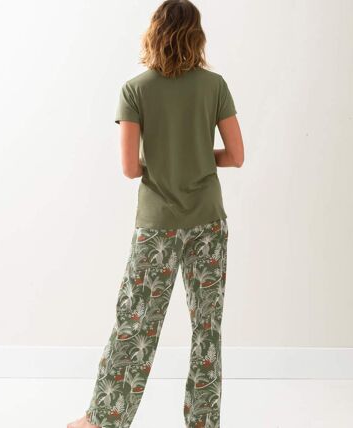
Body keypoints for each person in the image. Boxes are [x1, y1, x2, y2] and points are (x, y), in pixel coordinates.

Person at [68, 1, 244, 427]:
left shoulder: (135, 90)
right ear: (196, 36)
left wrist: (164, 161)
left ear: (154, 33)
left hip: (157, 226)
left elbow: (130, 168)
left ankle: (102, 421)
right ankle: (203, 423)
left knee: (135, 323)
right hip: (208, 222)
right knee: (207, 328)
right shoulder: (215, 86)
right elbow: (236, 156)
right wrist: (197, 157)